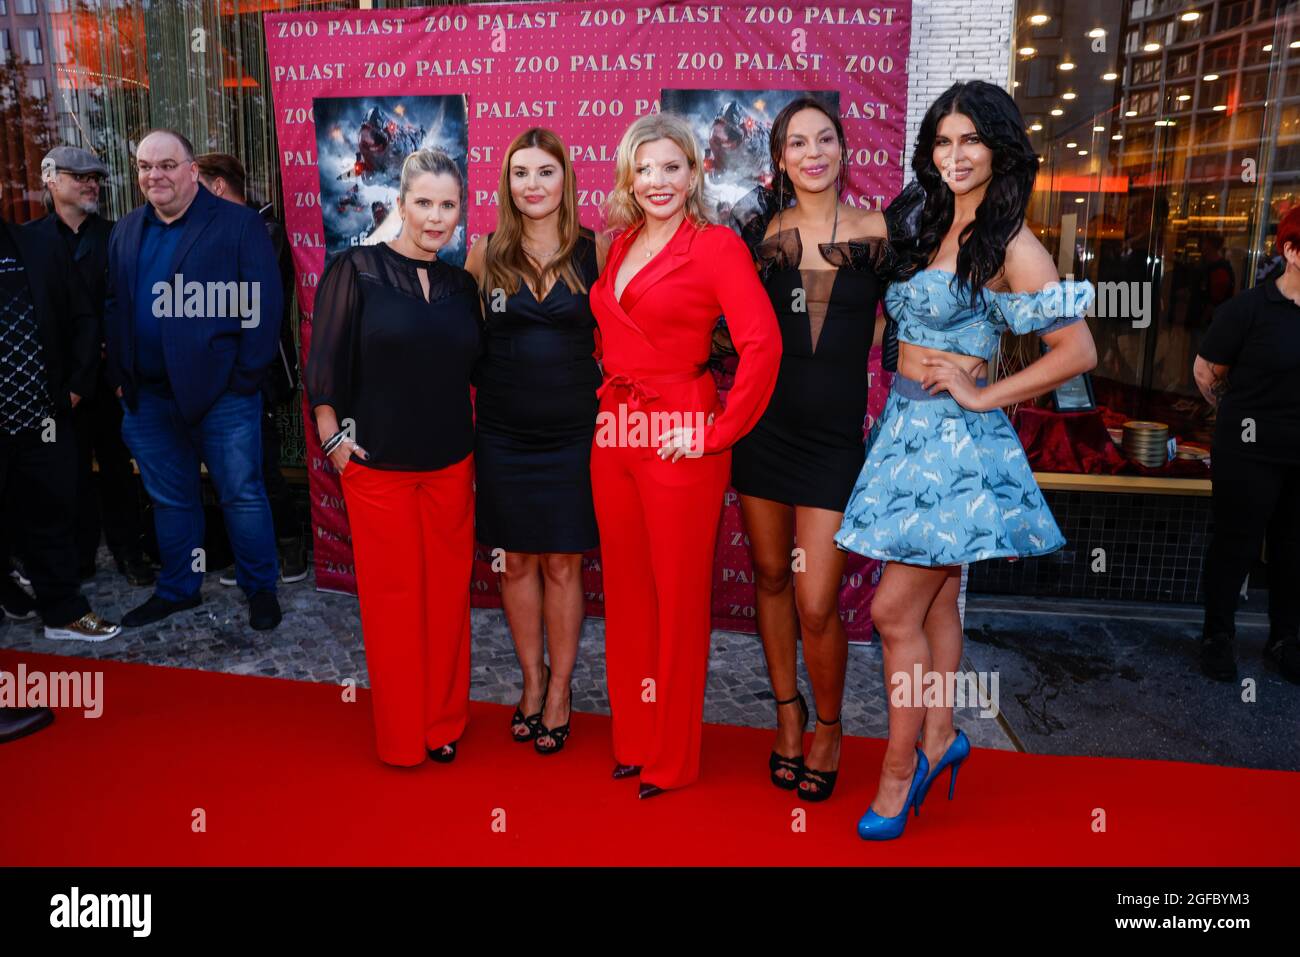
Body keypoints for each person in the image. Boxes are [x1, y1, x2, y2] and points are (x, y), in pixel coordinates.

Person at [835, 81, 1097, 840]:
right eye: (943, 142)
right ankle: (943, 735)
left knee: (890, 610)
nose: (955, 156)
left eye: (970, 141)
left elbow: (1077, 350)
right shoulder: (932, 224)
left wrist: (986, 397)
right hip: (904, 434)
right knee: (939, 601)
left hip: (955, 447)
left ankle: (898, 767)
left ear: (1000, 149)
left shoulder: (1012, 243)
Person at [590, 113, 781, 798]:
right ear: (628, 177)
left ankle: (671, 757)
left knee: (676, 601)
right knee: (629, 594)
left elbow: (763, 344)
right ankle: (635, 737)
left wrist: (715, 431)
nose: (658, 181)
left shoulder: (716, 247)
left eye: (672, 167)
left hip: (679, 432)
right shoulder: (621, 243)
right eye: (645, 168)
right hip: (614, 432)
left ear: (695, 172)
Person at [727, 98, 890, 802]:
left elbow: (903, 321)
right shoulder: (759, 234)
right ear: (781, 157)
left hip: (832, 443)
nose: (814, 152)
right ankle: (787, 715)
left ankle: (830, 725)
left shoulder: (881, 231)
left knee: (817, 600)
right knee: (768, 575)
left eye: (826, 139)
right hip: (765, 430)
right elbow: (723, 324)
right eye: (799, 142)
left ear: (843, 150)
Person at [306, 149, 482, 766]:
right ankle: (403, 733)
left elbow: (481, 371)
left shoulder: (464, 286)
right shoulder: (355, 269)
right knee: (392, 603)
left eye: (449, 205)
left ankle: (443, 723)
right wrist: (335, 444)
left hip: (451, 467)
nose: (436, 218)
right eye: (425, 203)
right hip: (376, 468)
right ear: (400, 204)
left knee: (446, 600)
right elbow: (323, 368)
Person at [103, 129, 284, 631]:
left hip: (223, 396)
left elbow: (264, 307)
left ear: (192, 172)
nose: (154, 175)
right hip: (149, 399)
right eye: (144, 166)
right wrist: (120, 376)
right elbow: (115, 305)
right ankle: (180, 588)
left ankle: (259, 587)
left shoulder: (238, 225)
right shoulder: (126, 230)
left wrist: (245, 378)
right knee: (170, 499)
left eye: (166, 164)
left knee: (241, 494)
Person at [465, 129, 604, 755]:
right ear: (507, 183)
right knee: (515, 561)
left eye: (545, 172)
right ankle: (530, 680)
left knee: (563, 562)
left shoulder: (596, 251)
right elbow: (458, 344)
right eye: (521, 173)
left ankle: (561, 690)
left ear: (565, 179)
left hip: (575, 434)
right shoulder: (484, 253)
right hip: (502, 433)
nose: (533, 184)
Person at [0, 181, 121, 642]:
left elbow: (83, 318)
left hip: (44, 418)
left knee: (52, 515)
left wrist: (75, 386)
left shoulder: (36, 244)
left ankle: (62, 611)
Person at [28, 146, 154, 587]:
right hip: (54, 385)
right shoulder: (29, 240)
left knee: (118, 468)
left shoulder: (118, 235)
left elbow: (131, 302)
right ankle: (76, 558)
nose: (90, 184)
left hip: (109, 379)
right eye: (78, 176)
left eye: (95, 178)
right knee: (64, 471)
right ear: (50, 180)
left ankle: (129, 552)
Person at [1193, 204, 1300, 684]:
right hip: (1249, 451)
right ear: (1291, 251)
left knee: (1293, 549)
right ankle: (1218, 636)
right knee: (1235, 546)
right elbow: (1205, 373)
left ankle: (1285, 638)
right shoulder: (1248, 310)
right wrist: (1234, 422)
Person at [195, 153, 307, 584]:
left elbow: (252, 299)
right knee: (231, 468)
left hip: (258, 371)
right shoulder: (211, 227)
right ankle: (252, 553)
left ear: (218, 186)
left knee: (260, 463)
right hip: (215, 372)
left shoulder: (266, 229)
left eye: (196, 183)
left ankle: (288, 546)